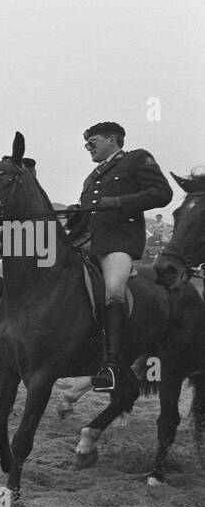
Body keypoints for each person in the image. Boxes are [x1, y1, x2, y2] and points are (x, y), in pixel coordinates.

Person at [64, 121, 172, 392]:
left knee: (113, 290)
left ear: (113, 140)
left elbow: (162, 193)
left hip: (117, 242)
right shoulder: (92, 177)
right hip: (83, 241)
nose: (88, 148)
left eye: (93, 142)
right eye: (86, 144)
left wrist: (118, 202)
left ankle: (111, 364)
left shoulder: (137, 159)